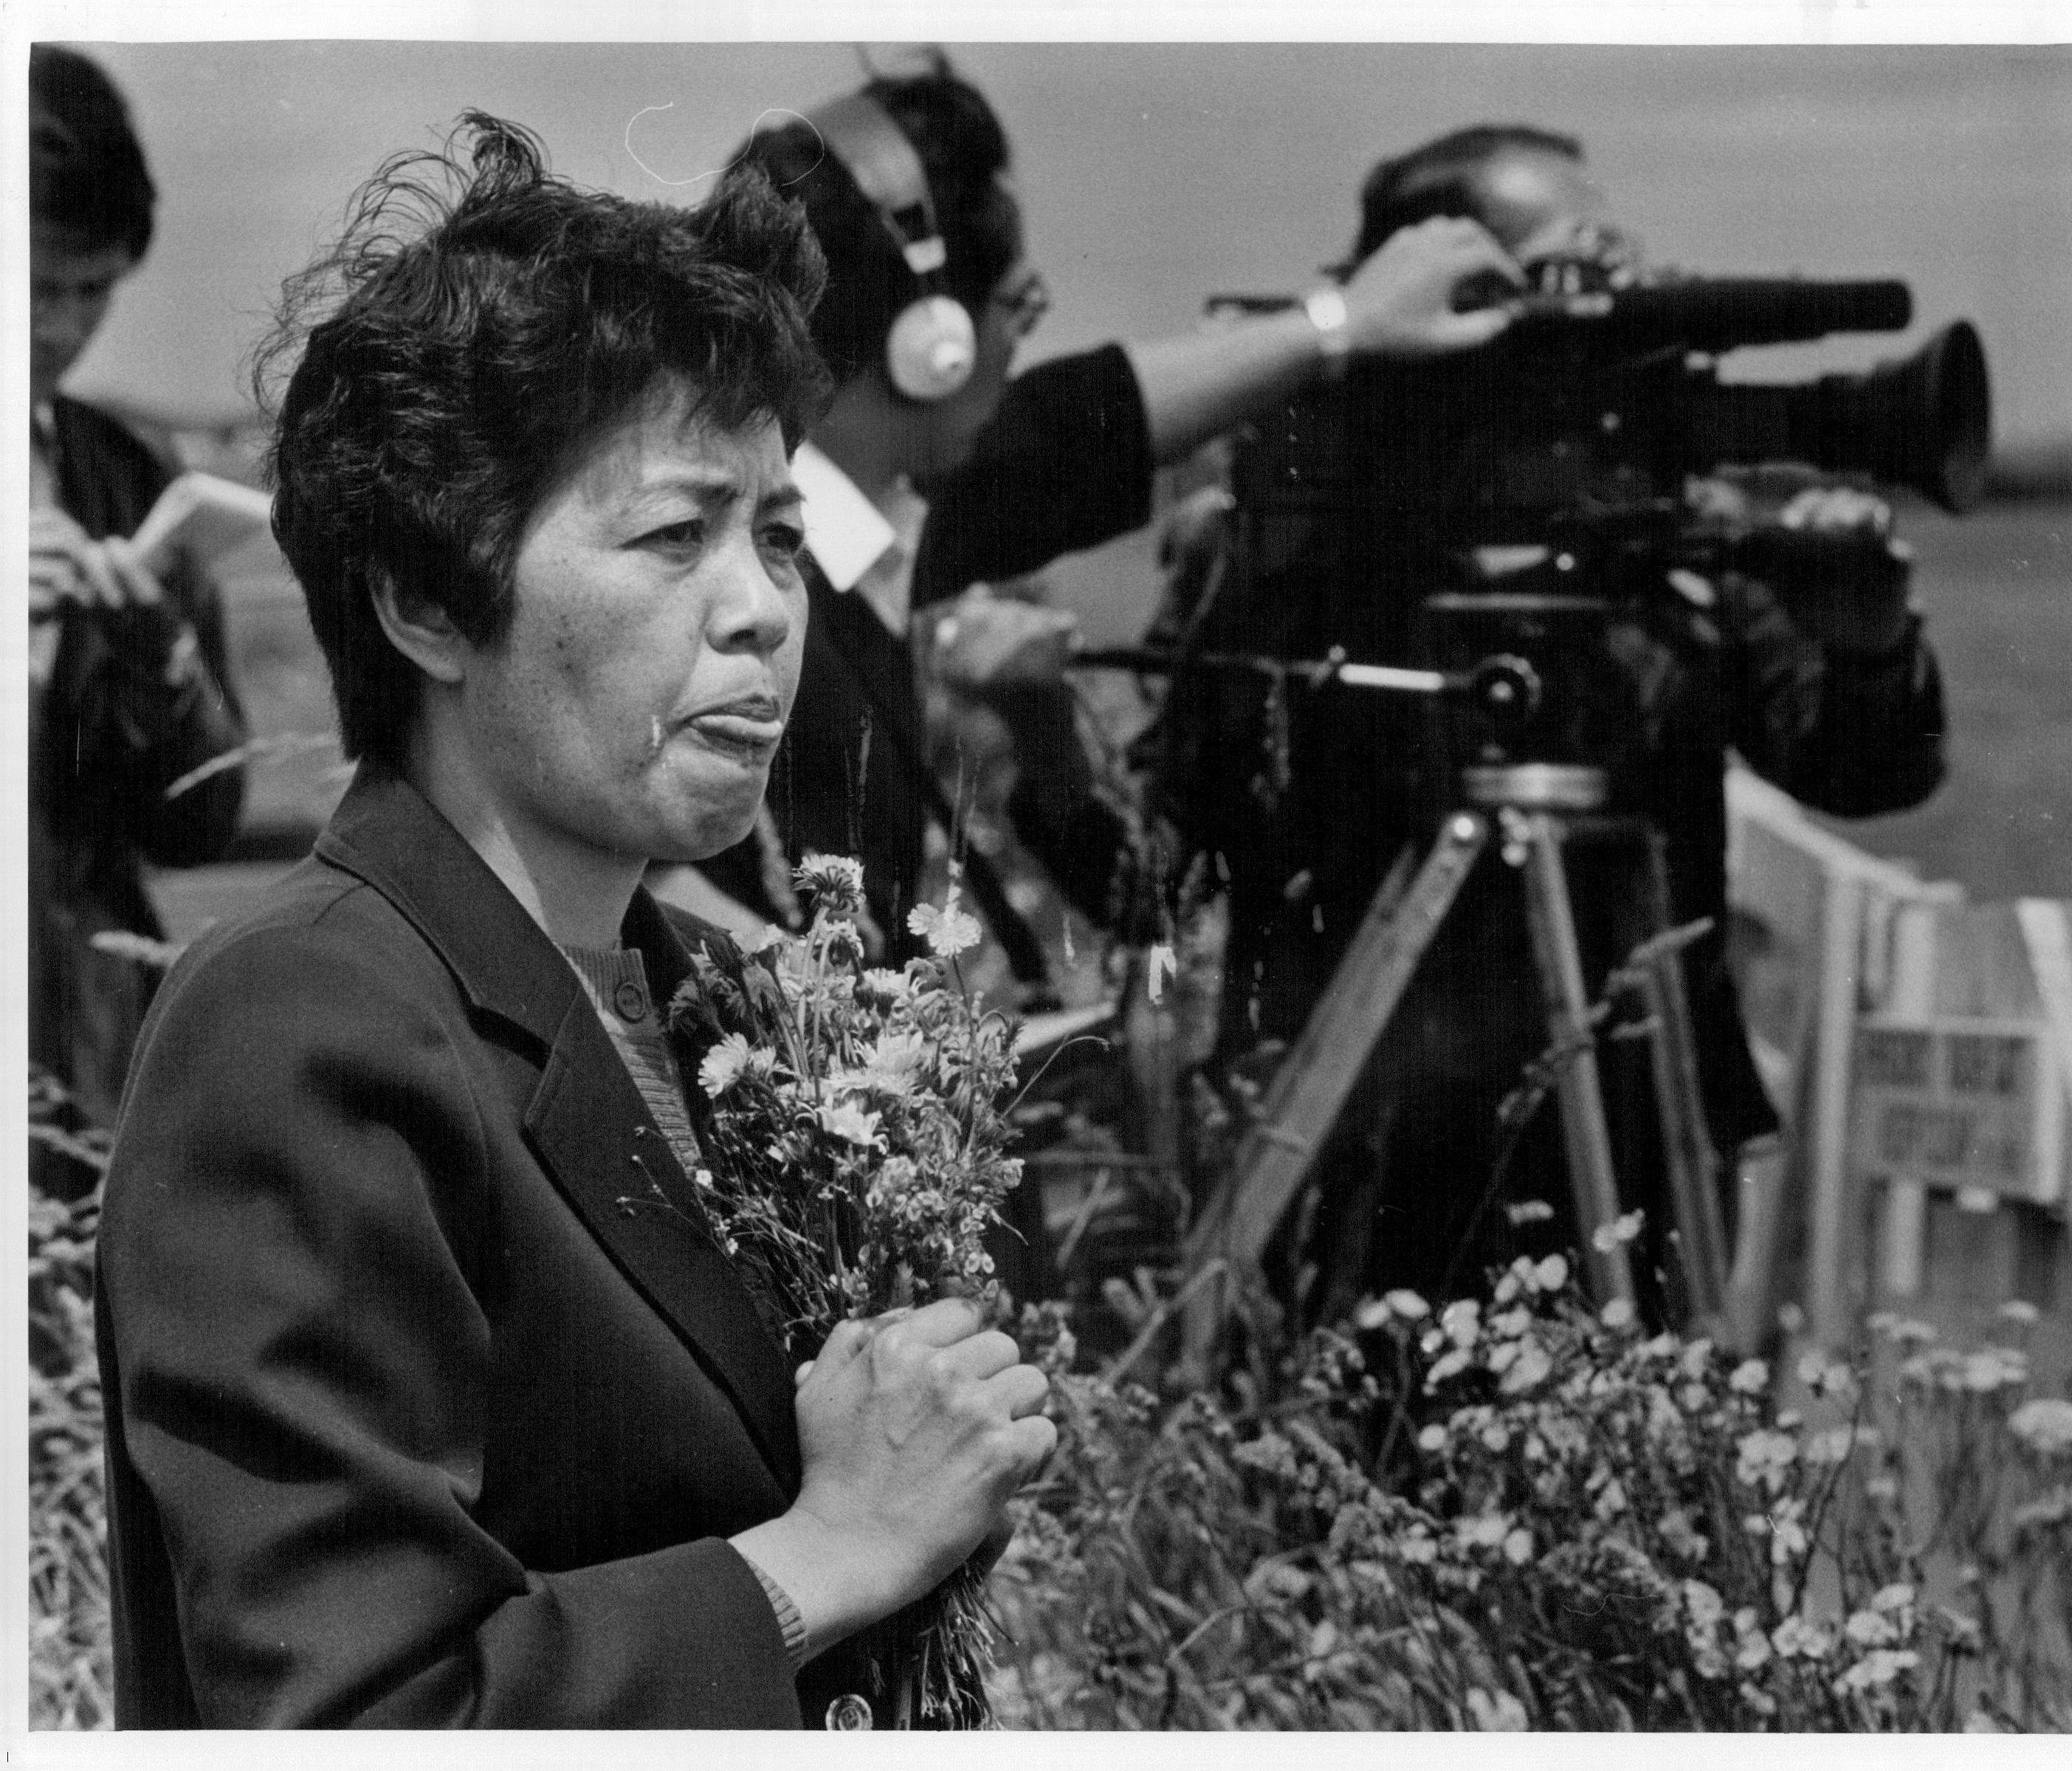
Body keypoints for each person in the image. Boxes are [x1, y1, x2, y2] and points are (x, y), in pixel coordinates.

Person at [94, 114, 1053, 1729]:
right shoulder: (304, 1023)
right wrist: (830, 1551)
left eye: (778, 534)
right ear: (422, 597)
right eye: (675, 534)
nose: (758, 607)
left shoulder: (729, 1010)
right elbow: (357, 1712)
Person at [1146, 125, 1949, 1321]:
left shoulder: (1678, 552)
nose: (1622, 304)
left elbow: (1865, 768)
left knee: (1641, 1462)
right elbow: (1172, 839)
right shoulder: (1306, 553)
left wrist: (1872, 636)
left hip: (1642, 1123)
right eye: (1578, 273)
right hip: (1359, 1131)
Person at [698, 69, 1526, 963]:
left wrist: (1343, 327)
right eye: (1020, 302)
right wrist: (1342, 324)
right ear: (934, 341)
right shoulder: (784, 589)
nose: (1026, 338)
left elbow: (1079, 427)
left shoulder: (834, 537)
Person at [27, 45, 246, 1197]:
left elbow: (206, 821)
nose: (60, 327)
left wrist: (162, 654)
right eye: (36, 280)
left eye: (91, 288)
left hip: (91, 1058)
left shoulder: (122, 473)